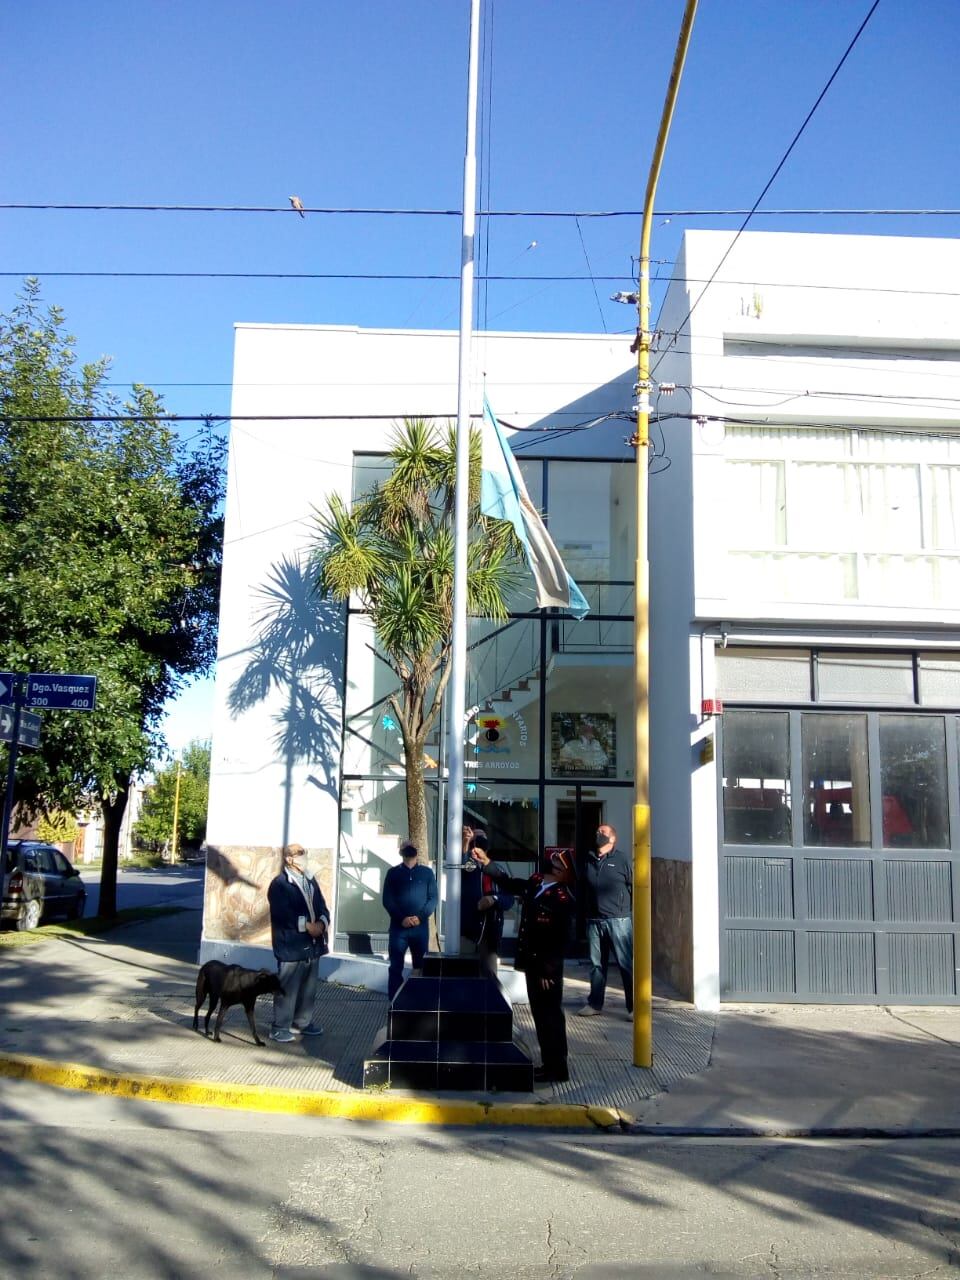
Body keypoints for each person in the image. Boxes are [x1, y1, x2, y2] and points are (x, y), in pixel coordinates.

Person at [487, 849, 575, 1084]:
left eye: (557, 861)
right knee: (540, 1016)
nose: (551, 859)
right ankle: (548, 1064)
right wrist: (488, 863)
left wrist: (549, 969)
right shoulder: (537, 883)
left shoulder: (562, 898)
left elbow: (561, 939)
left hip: (547, 970)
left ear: (562, 872)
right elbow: (511, 883)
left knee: (551, 1018)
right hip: (532, 963)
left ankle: (558, 1069)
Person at [267, 842, 330, 1043]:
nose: (304, 856)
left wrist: (321, 923)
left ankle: (302, 1022)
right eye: (299, 853)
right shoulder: (280, 884)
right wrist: (306, 926)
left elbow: (322, 905)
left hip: (312, 945)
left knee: (308, 987)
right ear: (289, 858)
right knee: (288, 987)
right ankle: (279, 1027)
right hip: (290, 945)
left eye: (305, 852)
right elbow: (282, 913)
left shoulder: (310, 881)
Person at [578, 822, 633, 1018]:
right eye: (597, 831)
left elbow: (633, 885)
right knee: (596, 965)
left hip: (618, 920)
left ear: (613, 838)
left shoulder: (621, 859)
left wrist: (625, 909)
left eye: (602, 832)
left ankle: (633, 1007)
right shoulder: (589, 859)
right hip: (594, 920)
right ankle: (595, 1004)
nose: (598, 834)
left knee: (625, 964)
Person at [382, 841, 438, 1001]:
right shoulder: (392, 873)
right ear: (400, 852)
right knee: (395, 967)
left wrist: (419, 918)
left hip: (420, 929)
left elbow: (433, 898)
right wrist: (402, 919)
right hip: (398, 928)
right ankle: (395, 1002)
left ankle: (419, 1002)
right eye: (405, 846)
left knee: (420, 967)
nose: (409, 848)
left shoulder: (427, 873)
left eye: (411, 846)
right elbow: (387, 900)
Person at [459, 829, 514, 976]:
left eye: (482, 838)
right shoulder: (467, 868)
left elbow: (509, 899)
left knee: (489, 975)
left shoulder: (498, 870)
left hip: (491, 930)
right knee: (466, 973)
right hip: (469, 930)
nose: (479, 841)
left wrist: (493, 899)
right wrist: (465, 841)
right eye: (475, 839)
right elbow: (460, 862)